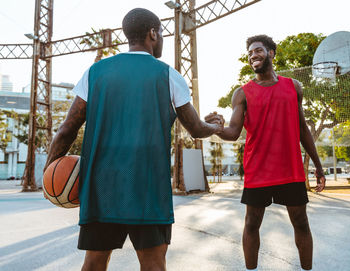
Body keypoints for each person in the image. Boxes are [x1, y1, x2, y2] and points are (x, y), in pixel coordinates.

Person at [44, 8, 223, 271]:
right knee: (153, 265)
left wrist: (51, 171)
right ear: (152, 33)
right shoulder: (168, 75)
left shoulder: (95, 73)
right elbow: (196, 129)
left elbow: (66, 130)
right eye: (160, 32)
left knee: (94, 263)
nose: (161, 38)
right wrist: (215, 125)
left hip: (101, 188)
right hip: (148, 188)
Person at [206, 35, 326, 271]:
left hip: (289, 169)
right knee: (252, 223)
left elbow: (303, 129)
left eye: (258, 50)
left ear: (271, 53)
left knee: (301, 222)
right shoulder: (242, 93)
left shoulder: (294, 87)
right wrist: (216, 129)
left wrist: (318, 166)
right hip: (258, 170)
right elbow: (232, 132)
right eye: (250, 53)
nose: (253, 56)